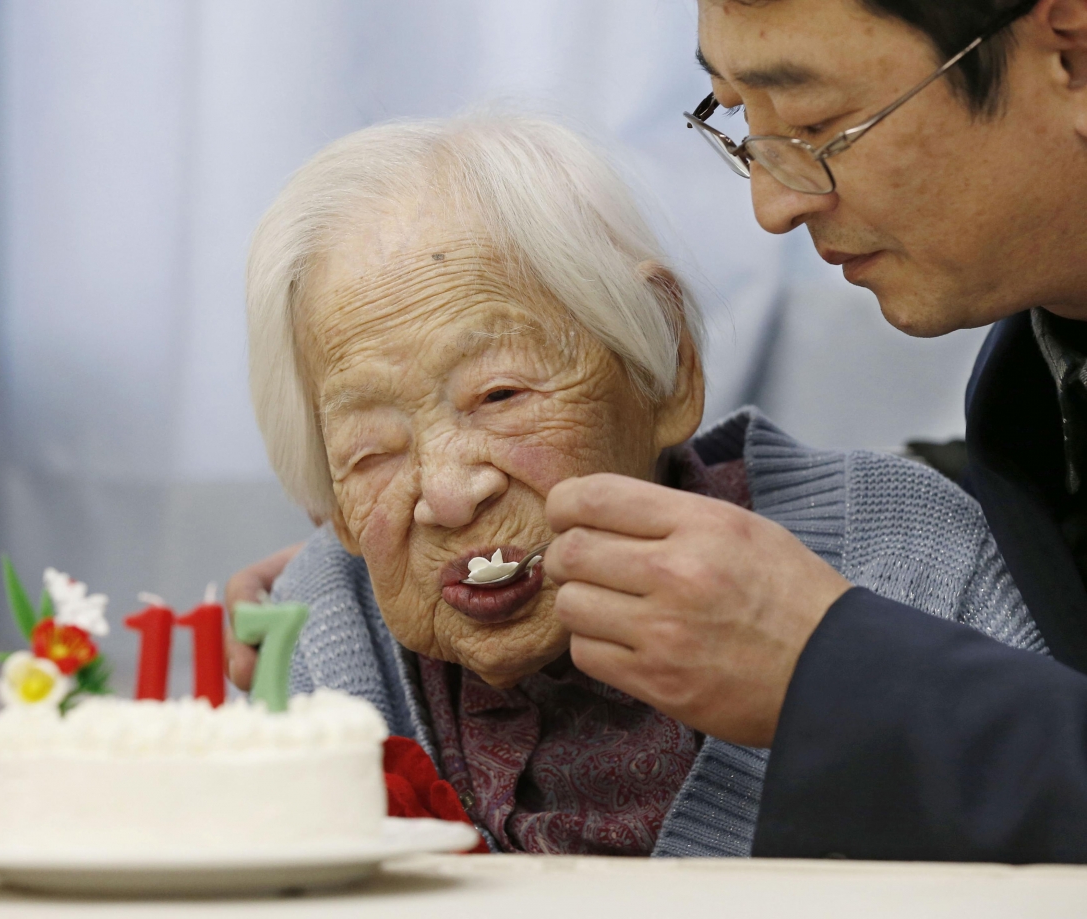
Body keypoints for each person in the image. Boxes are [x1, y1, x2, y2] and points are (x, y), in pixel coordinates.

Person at [230, 111, 1043, 856]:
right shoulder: (328, 639)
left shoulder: (908, 562)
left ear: (665, 367)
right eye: (373, 449)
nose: (448, 494)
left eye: (501, 394)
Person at [544, 0, 1087, 862]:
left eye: (815, 123)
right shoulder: (1046, 355)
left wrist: (833, 670)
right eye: (735, 118)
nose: (774, 206)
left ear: (1073, 57)